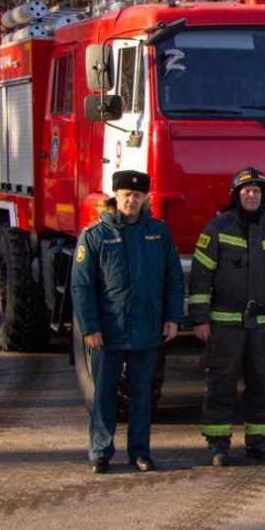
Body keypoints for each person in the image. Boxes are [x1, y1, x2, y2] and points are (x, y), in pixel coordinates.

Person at [72, 170, 183, 474]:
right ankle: (100, 451)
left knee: (141, 397)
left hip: (146, 330)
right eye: (125, 195)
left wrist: (173, 318)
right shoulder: (95, 236)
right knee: (104, 395)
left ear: (145, 198)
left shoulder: (159, 234)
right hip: (109, 332)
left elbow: (174, 280)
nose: (131, 200)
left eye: (137, 196)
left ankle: (140, 452)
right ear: (115, 197)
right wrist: (90, 327)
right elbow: (81, 286)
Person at [188, 167, 265, 467]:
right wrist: (199, 319)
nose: (252, 196)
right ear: (236, 195)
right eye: (246, 191)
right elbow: (200, 278)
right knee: (221, 383)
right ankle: (218, 445)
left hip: (263, 324)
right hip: (225, 322)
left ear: (264, 196)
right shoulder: (216, 228)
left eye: (257, 191)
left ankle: (261, 441)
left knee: (263, 382)